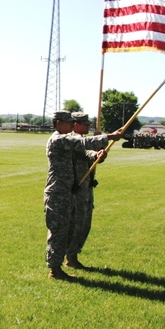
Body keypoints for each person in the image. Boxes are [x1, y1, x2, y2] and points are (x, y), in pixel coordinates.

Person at [44, 111, 120, 280]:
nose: (72, 125)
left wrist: (96, 155)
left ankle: (63, 264)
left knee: (70, 230)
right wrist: (110, 136)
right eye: (68, 122)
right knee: (58, 231)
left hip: (70, 192)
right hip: (57, 193)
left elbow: (84, 152)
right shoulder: (58, 139)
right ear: (58, 123)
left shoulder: (67, 140)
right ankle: (54, 270)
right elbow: (83, 142)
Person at [66, 112, 108, 269]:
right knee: (76, 223)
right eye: (85, 124)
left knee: (85, 224)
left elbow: (93, 155)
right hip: (75, 187)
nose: (89, 126)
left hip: (87, 186)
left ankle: (73, 255)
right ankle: (70, 257)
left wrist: (100, 153)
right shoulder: (71, 139)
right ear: (76, 124)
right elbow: (84, 151)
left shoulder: (86, 139)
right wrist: (95, 150)